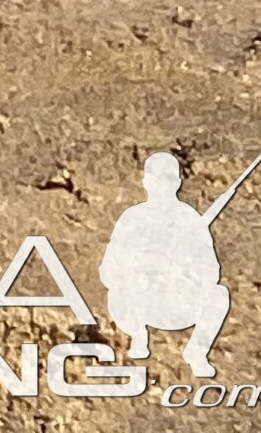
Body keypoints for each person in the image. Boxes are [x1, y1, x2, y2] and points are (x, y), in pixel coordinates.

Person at [100, 150, 235, 377]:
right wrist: (141, 270)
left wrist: (185, 269)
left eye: (168, 178)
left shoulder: (189, 219)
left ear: (177, 182)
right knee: (118, 293)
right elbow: (108, 270)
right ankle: (138, 336)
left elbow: (211, 271)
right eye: (156, 178)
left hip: (178, 303)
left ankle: (197, 351)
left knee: (218, 295)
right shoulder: (132, 218)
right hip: (140, 302)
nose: (162, 185)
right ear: (146, 182)